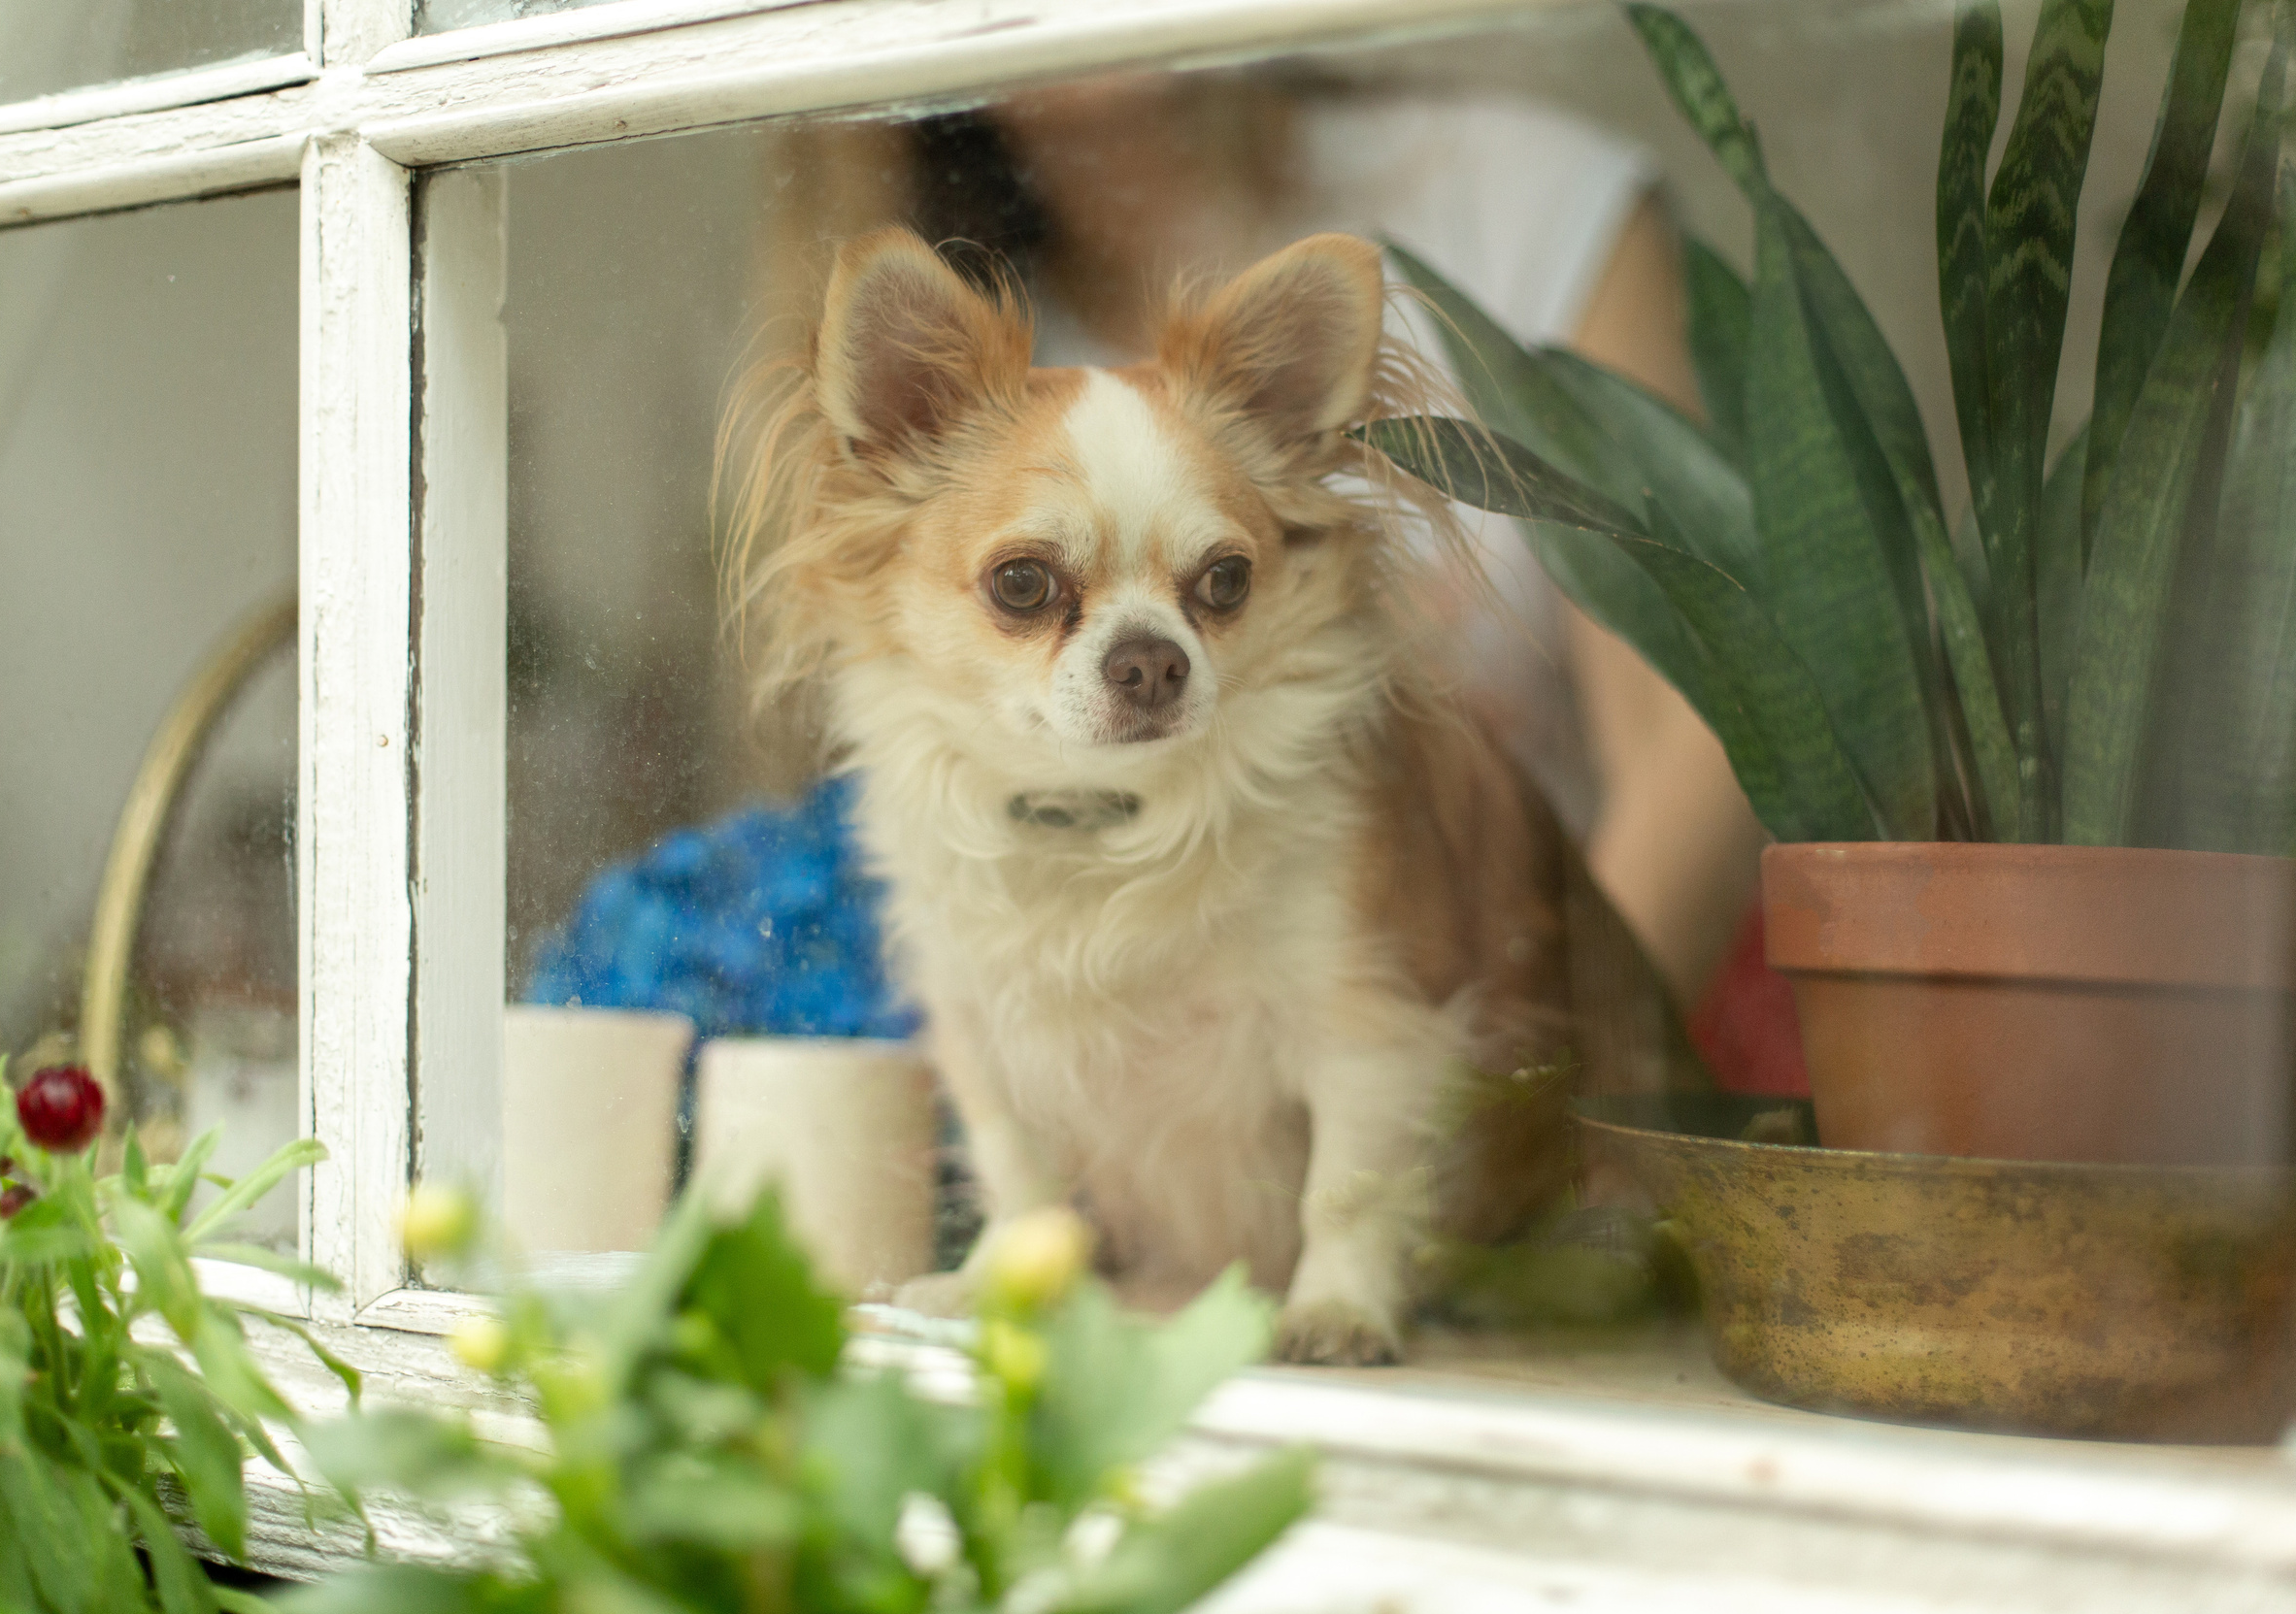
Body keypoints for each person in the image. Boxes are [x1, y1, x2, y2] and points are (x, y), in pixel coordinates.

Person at [751, 67, 1768, 1016]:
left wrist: (1560, 1102)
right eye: (1025, 585)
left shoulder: (1515, 199)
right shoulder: (943, 335)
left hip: (1560, 1008)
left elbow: (1699, 734)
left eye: (1222, 580)